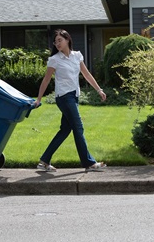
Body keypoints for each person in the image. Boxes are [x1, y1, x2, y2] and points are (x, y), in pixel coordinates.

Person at [34, 29, 107, 172]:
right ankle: (89, 163)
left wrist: (99, 90)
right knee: (78, 128)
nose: (57, 44)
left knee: (65, 130)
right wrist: (38, 99)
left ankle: (44, 161)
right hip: (64, 97)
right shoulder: (54, 60)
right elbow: (46, 80)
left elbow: (86, 74)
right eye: (55, 42)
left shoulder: (77, 56)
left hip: (74, 96)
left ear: (67, 39)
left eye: (60, 40)